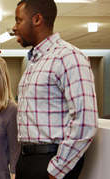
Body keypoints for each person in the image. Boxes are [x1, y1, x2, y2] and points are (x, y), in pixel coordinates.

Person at [12, 0, 98, 178]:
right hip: (27, 160)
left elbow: (85, 120)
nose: (14, 27)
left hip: (49, 162)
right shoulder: (36, 62)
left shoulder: (68, 56)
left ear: (37, 19)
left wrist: (56, 170)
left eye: (18, 20)